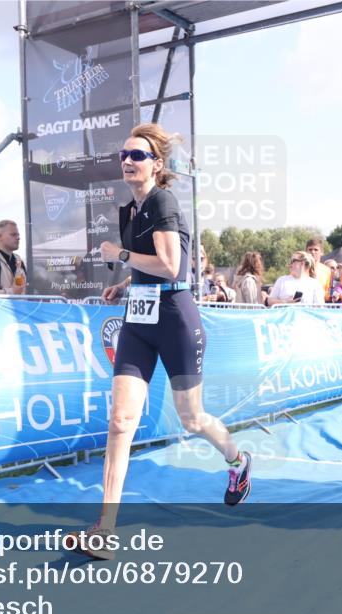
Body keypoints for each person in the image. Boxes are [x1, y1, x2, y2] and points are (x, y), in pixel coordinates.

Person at [88, 123, 251, 558]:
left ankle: (237, 461)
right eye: (123, 154)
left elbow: (171, 266)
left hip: (176, 317)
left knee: (192, 419)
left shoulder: (163, 199)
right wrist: (124, 282)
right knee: (121, 421)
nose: (127, 160)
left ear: (156, 165)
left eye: (137, 155)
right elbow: (147, 266)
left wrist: (118, 255)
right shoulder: (128, 211)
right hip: (139, 317)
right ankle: (105, 529)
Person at [305, 237, 332, 302]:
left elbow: (326, 292)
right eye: (310, 249)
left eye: (316, 250)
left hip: (319, 306)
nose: (313, 252)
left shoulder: (327, 270)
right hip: (303, 306)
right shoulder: (300, 268)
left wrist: (334, 295)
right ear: (306, 252)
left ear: (322, 252)